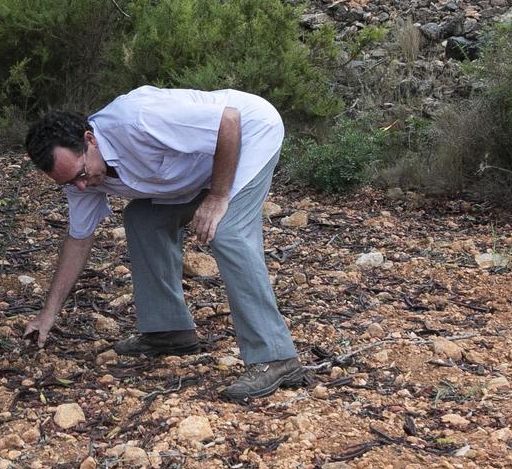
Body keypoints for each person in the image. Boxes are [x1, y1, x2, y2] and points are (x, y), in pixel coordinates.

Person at [21, 87, 308, 401]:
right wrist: (48, 315)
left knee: (227, 230)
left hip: (250, 134)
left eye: (80, 174)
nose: (80, 185)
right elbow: (78, 240)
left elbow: (228, 121)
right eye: (68, 183)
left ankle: (275, 357)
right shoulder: (81, 180)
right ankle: (168, 331)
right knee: (144, 219)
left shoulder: (137, 121)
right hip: (202, 167)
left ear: (89, 140)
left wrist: (217, 197)